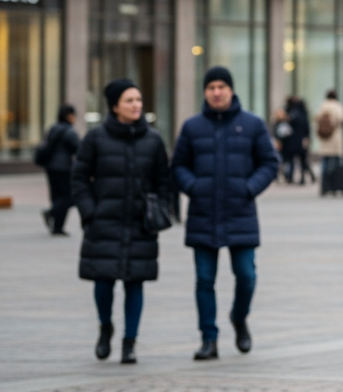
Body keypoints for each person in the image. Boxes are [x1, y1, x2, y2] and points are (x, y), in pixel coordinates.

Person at [172, 66, 280, 361]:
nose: (216, 92)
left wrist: (249, 188)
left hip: (240, 213)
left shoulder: (252, 124)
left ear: (231, 90)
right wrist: (193, 186)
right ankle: (209, 339)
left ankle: (238, 317)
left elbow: (269, 163)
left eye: (221, 86)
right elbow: (178, 165)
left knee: (246, 276)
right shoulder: (192, 127)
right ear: (205, 92)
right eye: (211, 87)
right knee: (204, 280)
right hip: (203, 214)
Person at [71, 80, 171, 364]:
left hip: (140, 224)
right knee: (103, 281)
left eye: (138, 100)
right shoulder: (95, 138)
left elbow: (164, 181)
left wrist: (160, 208)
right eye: (129, 100)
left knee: (134, 283)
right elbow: (78, 178)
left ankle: (130, 342)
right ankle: (106, 327)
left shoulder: (153, 140)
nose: (136, 105)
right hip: (104, 223)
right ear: (115, 106)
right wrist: (90, 212)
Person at [38, 104, 79, 235]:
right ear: (69, 116)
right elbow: (79, 148)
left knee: (57, 196)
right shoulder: (69, 131)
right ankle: (52, 213)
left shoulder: (53, 128)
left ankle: (57, 227)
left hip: (50, 167)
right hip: (64, 168)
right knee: (68, 197)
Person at [315, 90, 343, 195]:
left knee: (324, 163)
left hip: (325, 139)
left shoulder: (322, 106)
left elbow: (316, 119)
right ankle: (334, 186)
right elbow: (342, 118)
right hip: (335, 138)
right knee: (335, 163)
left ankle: (324, 187)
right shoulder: (338, 106)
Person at [280, 96, 314, 185]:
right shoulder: (301, 112)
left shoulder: (291, 113)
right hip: (298, 139)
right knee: (302, 160)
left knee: (295, 159)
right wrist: (307, 137)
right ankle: (303, 177)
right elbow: (307, 127)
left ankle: (294, 177)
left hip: (293, 140)